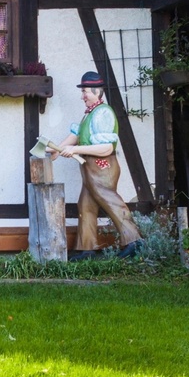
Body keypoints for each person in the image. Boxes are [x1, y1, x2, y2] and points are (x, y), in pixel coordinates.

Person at [51, 70, 142, 259]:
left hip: (103, 168)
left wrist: (75, 150)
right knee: (86, 206)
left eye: (86, 91)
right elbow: (76, 136)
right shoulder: (90, 113)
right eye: (83, 91)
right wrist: (57, 150)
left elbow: (107, 148)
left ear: (97, 92)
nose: (83, 96)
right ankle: (87, 248)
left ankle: (135, 241)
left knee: (111, 201)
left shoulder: (103, 113)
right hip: (90, 169)